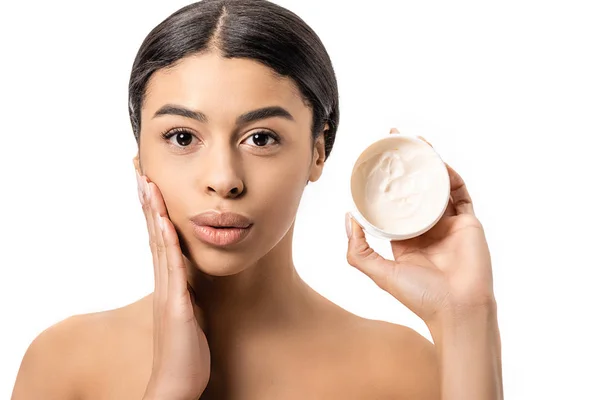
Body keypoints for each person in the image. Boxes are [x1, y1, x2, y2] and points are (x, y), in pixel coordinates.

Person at [11, 0, 503, 399]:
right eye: (182, 137)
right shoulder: (63, 365)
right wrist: (170, 389)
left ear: (317, 152)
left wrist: (465, 316)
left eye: (261, 138)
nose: (224, 180)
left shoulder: (406, 371)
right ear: (140, 158)